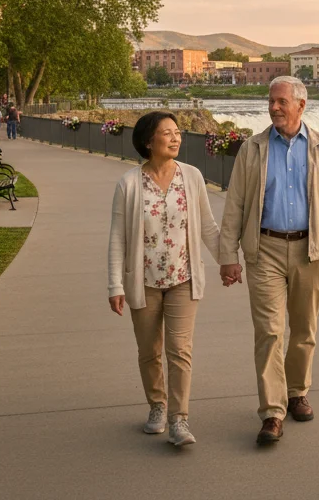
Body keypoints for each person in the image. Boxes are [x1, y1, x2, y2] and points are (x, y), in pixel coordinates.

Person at [217, 76, 319, 446]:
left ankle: (297, 392)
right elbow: (236, 206)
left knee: (304, 330)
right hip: (265, 251)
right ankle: (273, 411)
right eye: (271, 101)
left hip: (311, 251)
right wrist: (228, 256)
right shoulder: (253, 148)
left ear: (300, 105)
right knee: (270, 332)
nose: (274, 107)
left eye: (281, 101)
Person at [108, 111, 221, 447]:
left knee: (180, 350)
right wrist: (115, 285)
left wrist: (228, 261)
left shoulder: (192, 176)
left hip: (184, 277)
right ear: (148, 141)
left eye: (178, 132)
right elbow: (117, 239)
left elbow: (208, 227)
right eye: (167, 133)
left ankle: (179, 419)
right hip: (143, 280)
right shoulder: (128, 184)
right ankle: (157, 405)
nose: (176, 138)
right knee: (149, 351)